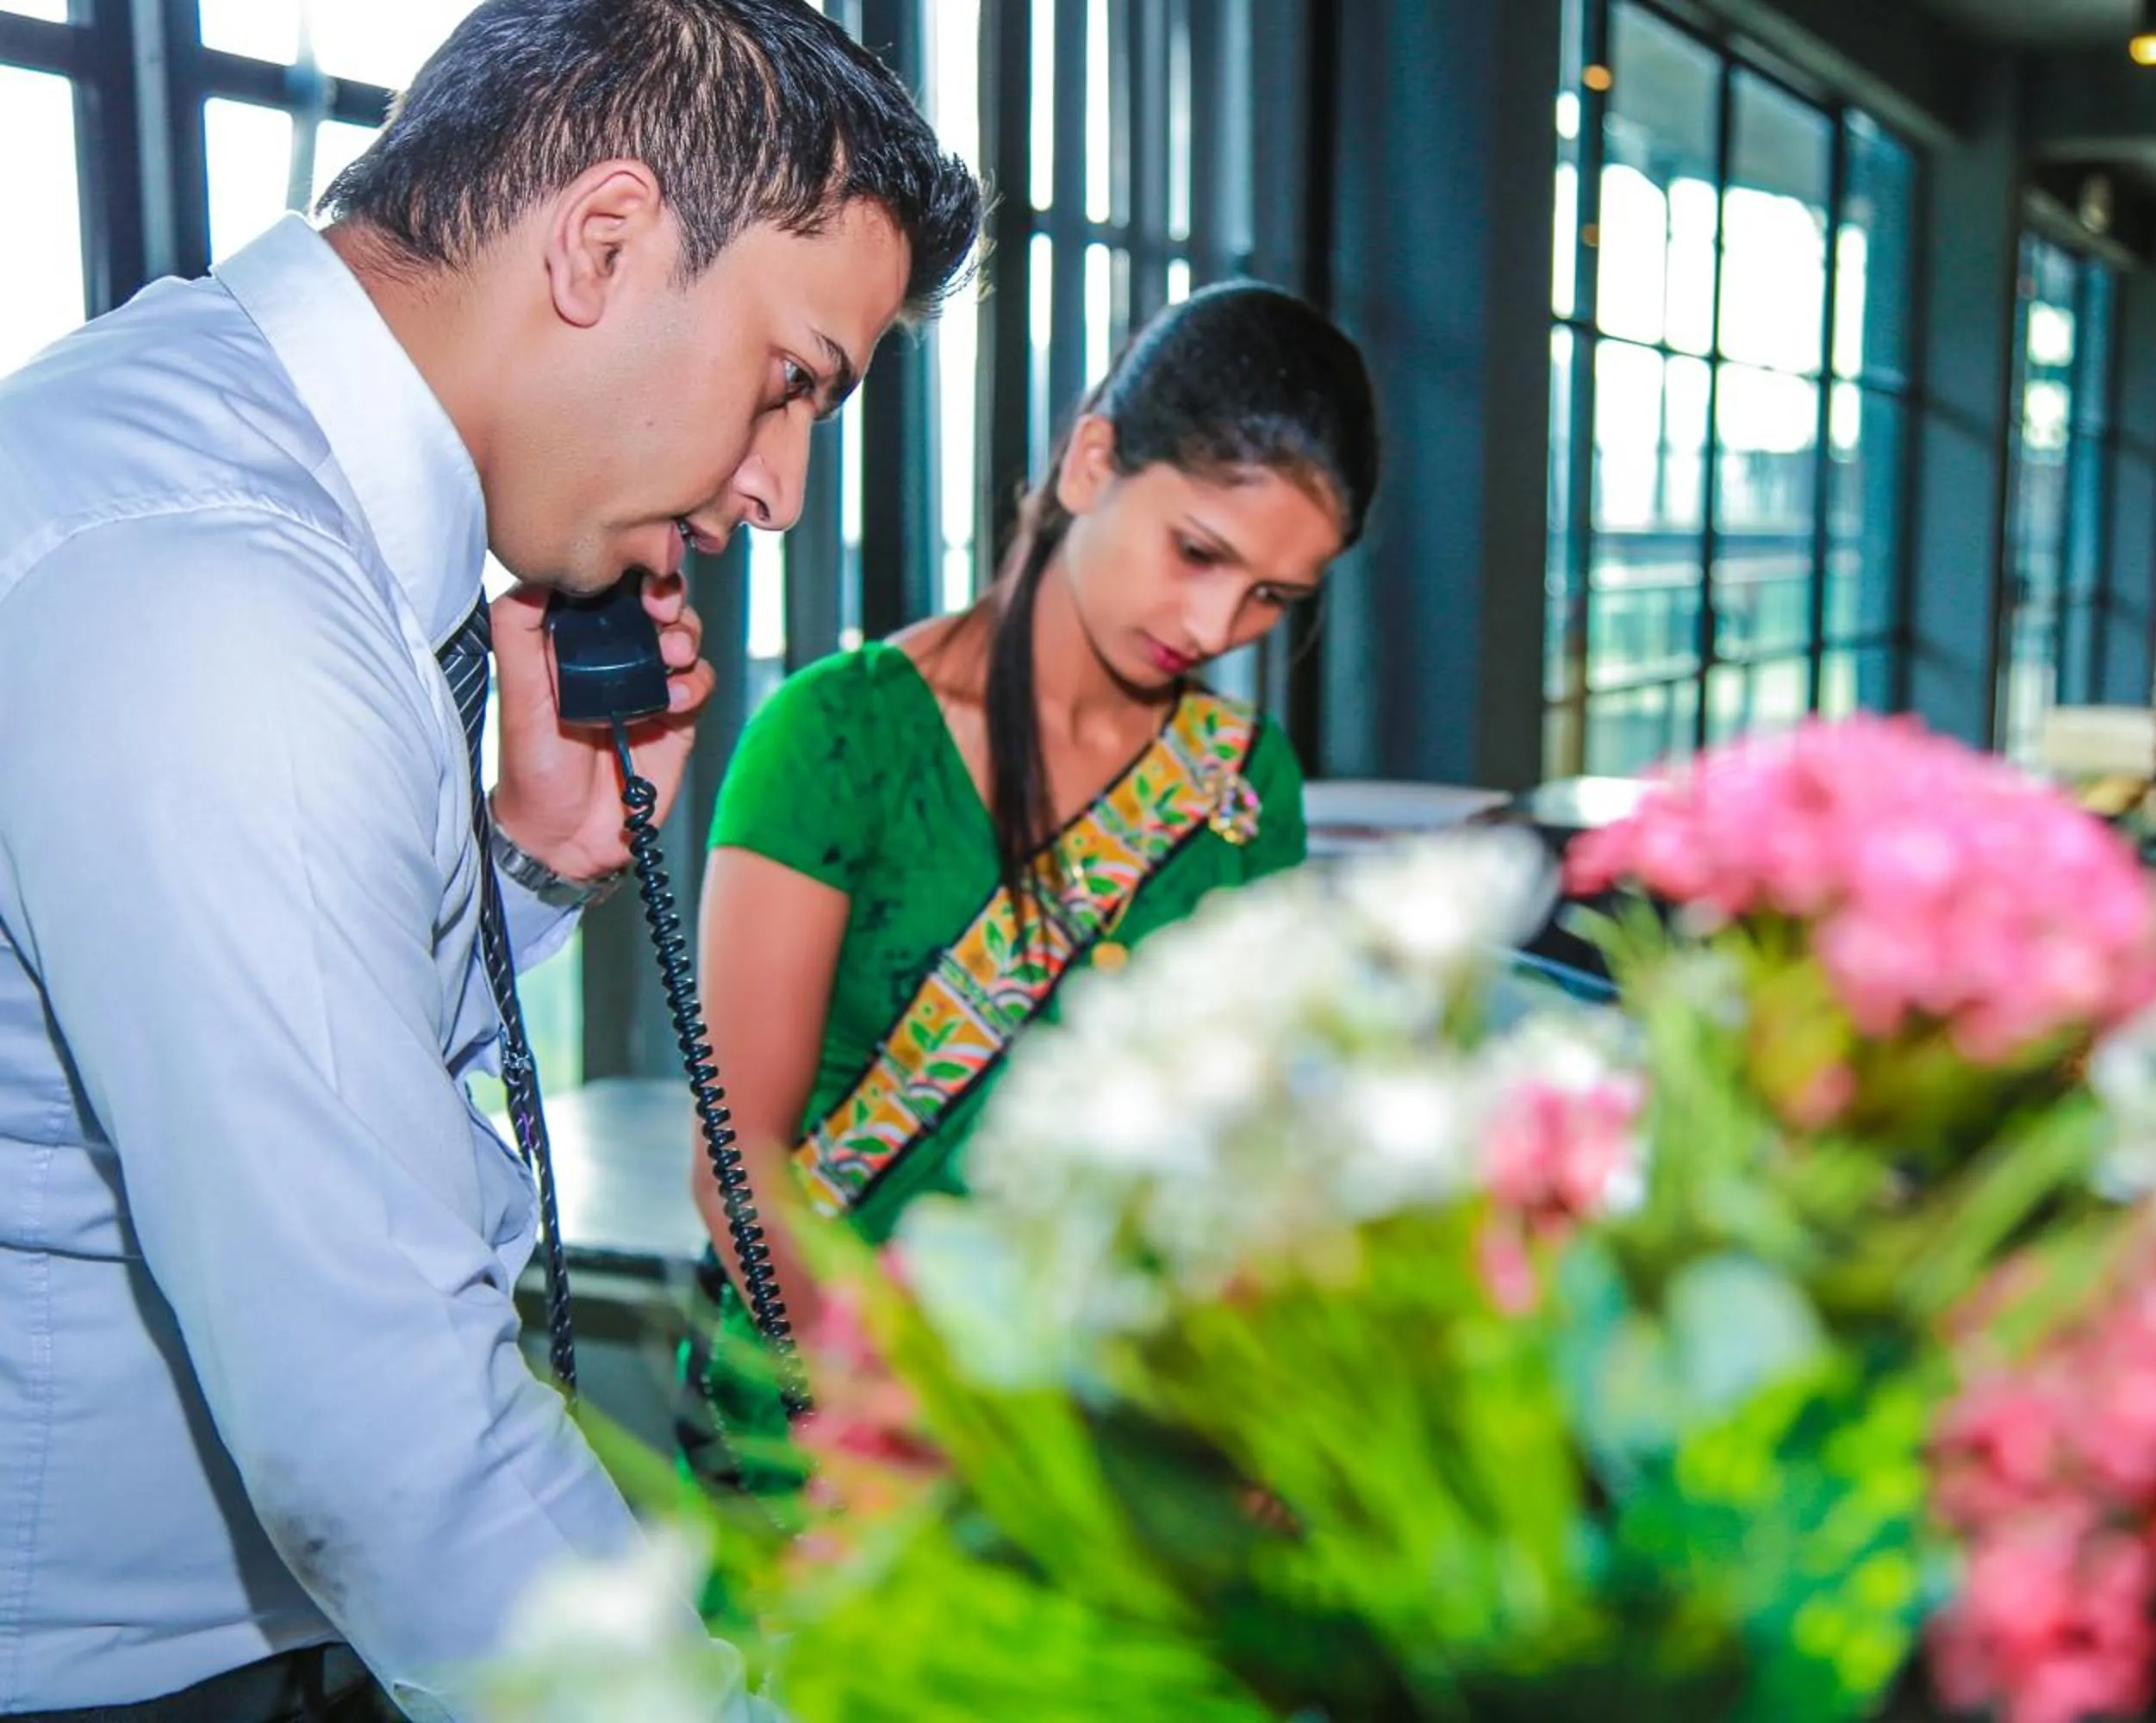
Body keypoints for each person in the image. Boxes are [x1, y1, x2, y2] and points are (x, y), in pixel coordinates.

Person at [0, 0, 981, 1715]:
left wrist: (529, 859)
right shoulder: (220, 604)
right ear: (600, 242)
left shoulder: (233, 464)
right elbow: (378, 1425)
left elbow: (288, 1055)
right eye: (790, 383)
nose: (783, 494)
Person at [678, 282, 1380, 1501]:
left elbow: (1251, 1144)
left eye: (1273, 598)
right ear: (1093, 460)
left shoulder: (1243, 778)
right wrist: (901, 1418)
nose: (1220, 624)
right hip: (843, 1433)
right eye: (1200, 552)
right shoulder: (837, 740)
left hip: (1124, 1442)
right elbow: (740, 1166)